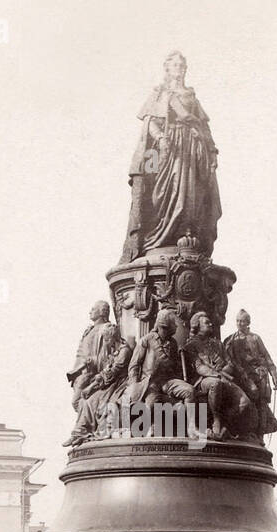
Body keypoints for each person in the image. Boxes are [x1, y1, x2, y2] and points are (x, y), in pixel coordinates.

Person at [121, 52, 222, 262]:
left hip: (193, 149)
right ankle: (158, 236)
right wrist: (161, 139)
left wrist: (211, 151)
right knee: (161, 191)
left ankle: (186, 232)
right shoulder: (161, 93)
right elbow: (150, 122)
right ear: (167, 69)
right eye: (175, 65)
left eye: (182, 64)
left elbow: (204, 125)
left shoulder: (191, 96)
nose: (180, 68)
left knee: (192, 193)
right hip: (167, 149)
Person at [184, 312, 258, 441]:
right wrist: (215, 373)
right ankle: (216, 420)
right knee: (215, 383)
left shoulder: (218, 344)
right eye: (207, 323)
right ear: (198, 326)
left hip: (223, 377)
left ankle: (225, 427)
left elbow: (230, 363)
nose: (211, 324)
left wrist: (223, 370)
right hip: (203, 380)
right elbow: (198, 367)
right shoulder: (192, 345)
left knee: (244, 402)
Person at [222, 309, 277, 435]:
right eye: (237, 321)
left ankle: (260, 434)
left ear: (248, 323)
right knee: (247, 400)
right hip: (242, 375)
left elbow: (267, 357)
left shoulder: (255, 338)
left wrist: (274, 376)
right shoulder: (231, 340)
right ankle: (245, 430)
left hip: (259, 374)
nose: (239, 323)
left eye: (242, 321)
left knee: (262, 404)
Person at [66, 301, 121, 410]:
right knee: (80, 402)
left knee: (77, 402)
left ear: (102, 312)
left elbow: (106, 356)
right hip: (79, 373)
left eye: (93, 309)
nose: (90, 312)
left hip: (89, 372)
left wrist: (92, 362)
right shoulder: (89, 330)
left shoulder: (105, 328)